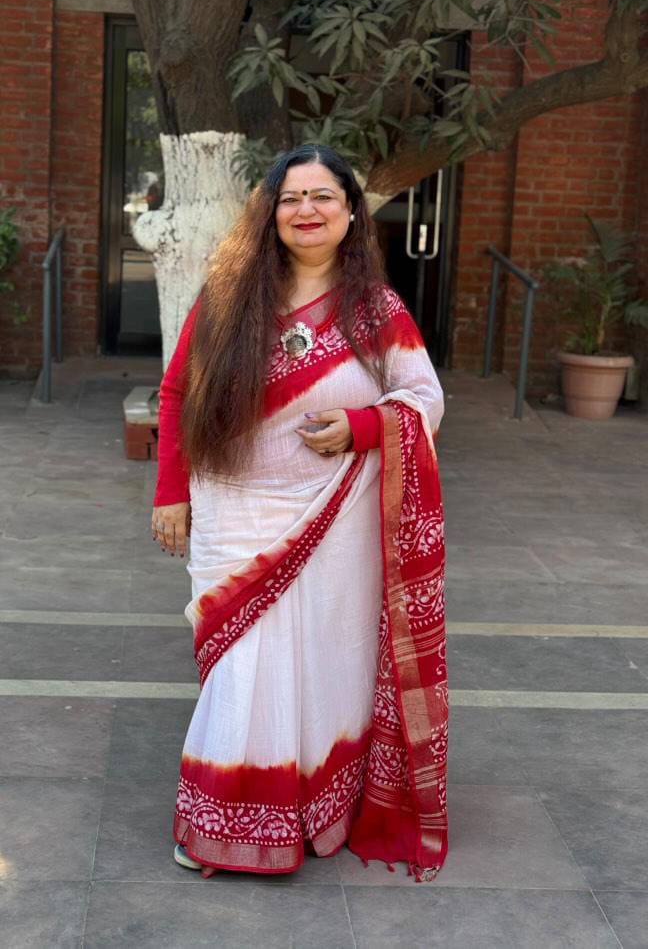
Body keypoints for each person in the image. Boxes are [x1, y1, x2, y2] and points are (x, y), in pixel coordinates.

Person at [151, 144, 448, 882]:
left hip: (334, 513)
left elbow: (424, 399)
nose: (306, 211)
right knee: (242, 664)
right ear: (270, 212)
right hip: (234, 508)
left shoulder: (377, 310)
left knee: (323, 660)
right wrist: (169, 492)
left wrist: (364, 427)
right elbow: (176, 396)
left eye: (323, 197)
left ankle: (312, 808)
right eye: (291, 198)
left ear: (350, 213)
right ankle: (225, 821)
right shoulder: (226, 294)